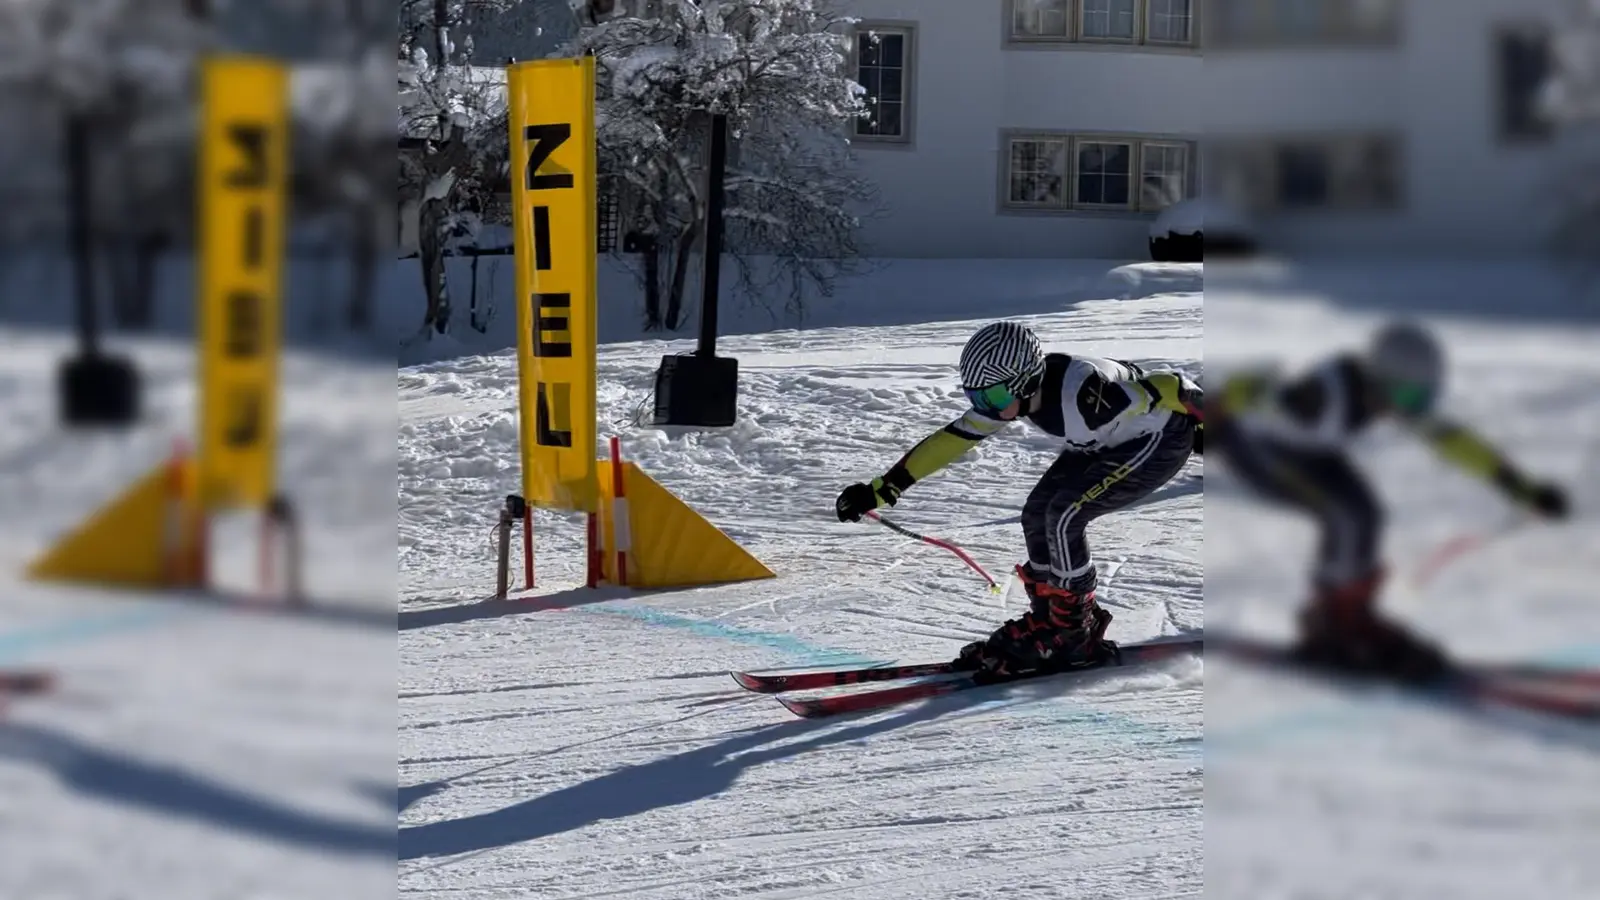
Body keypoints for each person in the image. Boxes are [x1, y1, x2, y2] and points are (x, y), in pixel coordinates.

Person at [834, 321, 1203, 679]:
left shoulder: (1086, 396)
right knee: (1036, 513)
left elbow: (1171, 386)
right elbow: (952, 438)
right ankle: (1050, 622)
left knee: (1064, 514)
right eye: (975, 397)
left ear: (1024, 383)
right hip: (1102, 442)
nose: (986, 407)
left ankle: (1075, 632)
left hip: (1158, 441)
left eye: (992, 396)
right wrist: (884, 487)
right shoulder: (1017, 397)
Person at [1207, 319, 1571, 682]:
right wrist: (1208, 420)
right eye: (1408, 398)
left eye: (1420, 400)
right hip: (1256, 448)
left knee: (1365, 512)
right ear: (1381, 379)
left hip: (1306, 451)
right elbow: (1250, 390)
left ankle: (1348, 616)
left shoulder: (1383, 394)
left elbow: (1451, 439)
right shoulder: (1321, 395)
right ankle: (1336, 625)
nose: (1410, 410)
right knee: (1346, 514)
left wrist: (1520, 487)